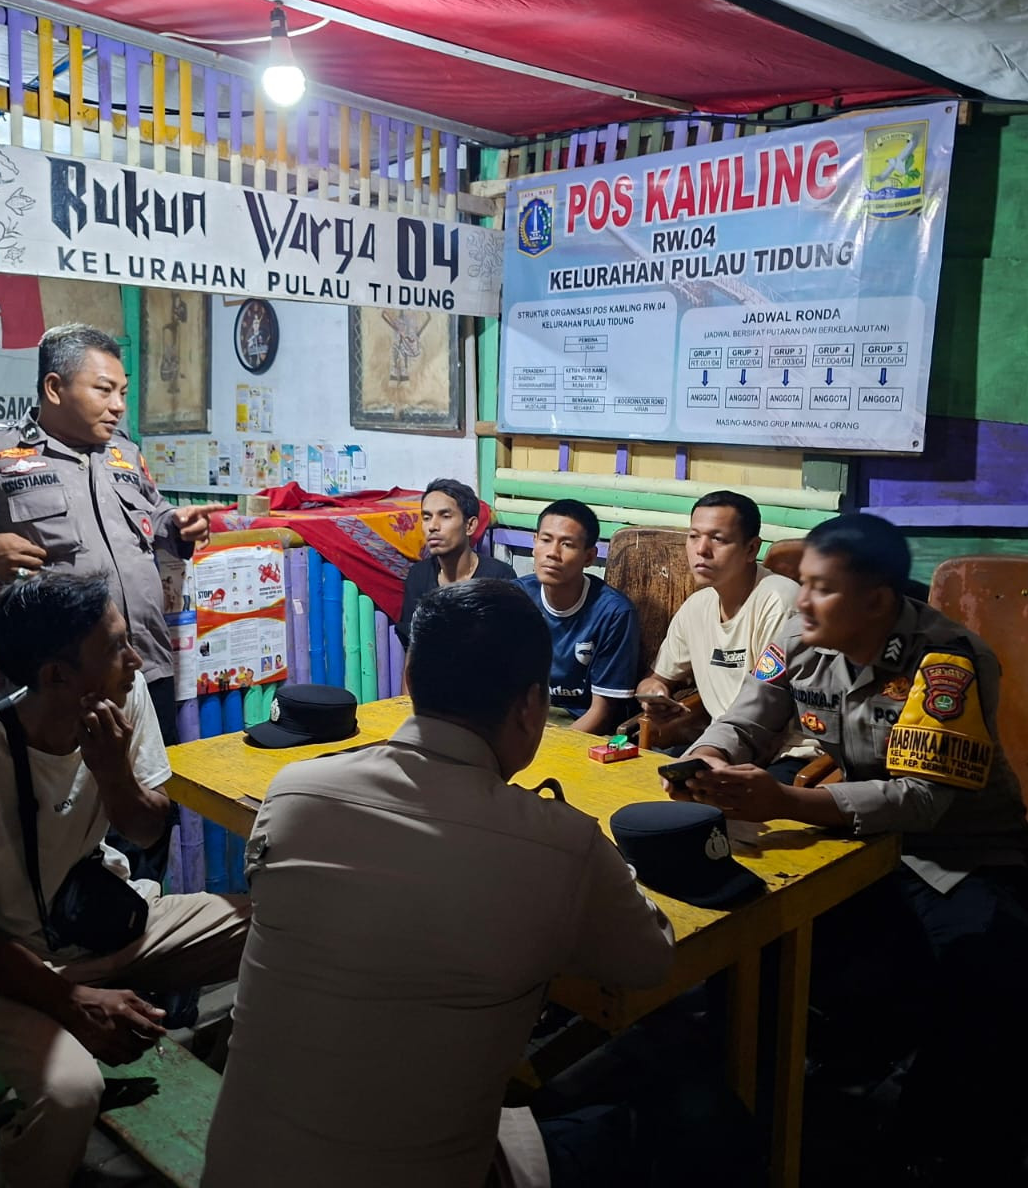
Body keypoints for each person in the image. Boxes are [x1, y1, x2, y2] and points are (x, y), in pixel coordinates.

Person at [203, 579, 676, 1188]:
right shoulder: (561, 845)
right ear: (532, 706)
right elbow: (649, 960)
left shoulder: (295, 792)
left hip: (241, 1167)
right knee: (669, 1106)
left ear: (408, 681)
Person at [671, 513, 1028, 1177]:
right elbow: (749, 718)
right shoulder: (800, 634)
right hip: (853, 833)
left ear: (876, 601)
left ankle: (923, 1143)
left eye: (820, 588)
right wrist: (705, 763)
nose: (800, 599)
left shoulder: (948, 661)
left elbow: (922, 803)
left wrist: (785, 802)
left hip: (956, 852)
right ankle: (752, 1094)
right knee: (755, 921)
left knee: (982, 967)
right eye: (801, 583)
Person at [0, 572, 249, 1188]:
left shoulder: (120, 703)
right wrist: (71, 1001)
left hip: (109, 926)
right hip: (10, 968)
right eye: (116, 647)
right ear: (55, 676)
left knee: (274, 929)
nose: (135, 660)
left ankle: (232, 1085)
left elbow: (150, 832)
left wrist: (112, 772)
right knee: (71, 1096)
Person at [0, 322, 221, 746]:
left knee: (153, 800)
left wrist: (178, 524)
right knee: (65, 801)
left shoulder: (125, 453)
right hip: (61, 678)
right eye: (104, 390)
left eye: (123, 392)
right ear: (54, 387)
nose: (118, 405)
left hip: (144, 663)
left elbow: (155, 518)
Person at [631, 490, 805, 759]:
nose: (701, 549)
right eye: (693, 536)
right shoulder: (697, 606)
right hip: (723, 746)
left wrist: (711, 755)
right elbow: (657, 678)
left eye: (718, 539)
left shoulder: (779, 600)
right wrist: (653, 694)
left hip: (781, 754)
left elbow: (769, 715)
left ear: (751, 549)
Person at [517, 499, 641, 735]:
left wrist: (549, 751)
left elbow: (602, 713)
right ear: (534, 544)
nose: (553, 553)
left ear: (589, 556)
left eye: (567, 544)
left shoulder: (614, 613)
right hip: (523, 721)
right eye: (545, 540)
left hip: (581, 729)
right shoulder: (514, 598)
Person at [397, 476, 515, 645]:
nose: (433, 526)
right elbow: (412, 645)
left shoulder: (499, 578)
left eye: (445, 516)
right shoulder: (419, 577)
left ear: (470, 526)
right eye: (427, 517)